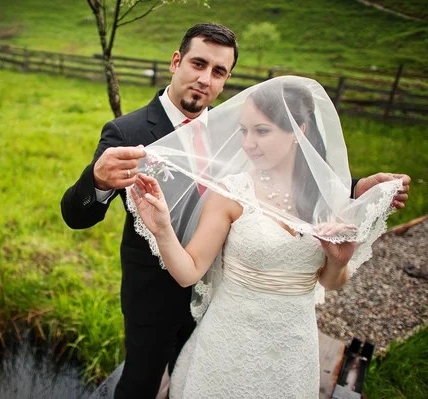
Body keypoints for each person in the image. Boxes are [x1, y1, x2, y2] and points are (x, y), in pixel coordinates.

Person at [61, 23, 410, 398]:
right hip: (157, 291)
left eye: (218, 72)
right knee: (141, 382)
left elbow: (286, 176)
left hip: (229, 293)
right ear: (176, 61)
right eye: (198, 64)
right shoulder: (127, 131)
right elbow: (76, 217)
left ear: (226, 79)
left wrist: (354, 188)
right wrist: (97, 181)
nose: (205, 79)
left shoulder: (234, 130)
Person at [127, 76, 406, 398]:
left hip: (293, 346)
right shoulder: (233, 192)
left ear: (298, 130)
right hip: (230, 342)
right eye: (244, 130)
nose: (248, 143)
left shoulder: (329, 196)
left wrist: (338, 261)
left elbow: (331, 282)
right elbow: (189, 272)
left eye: (262, 131)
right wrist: (162, 228)